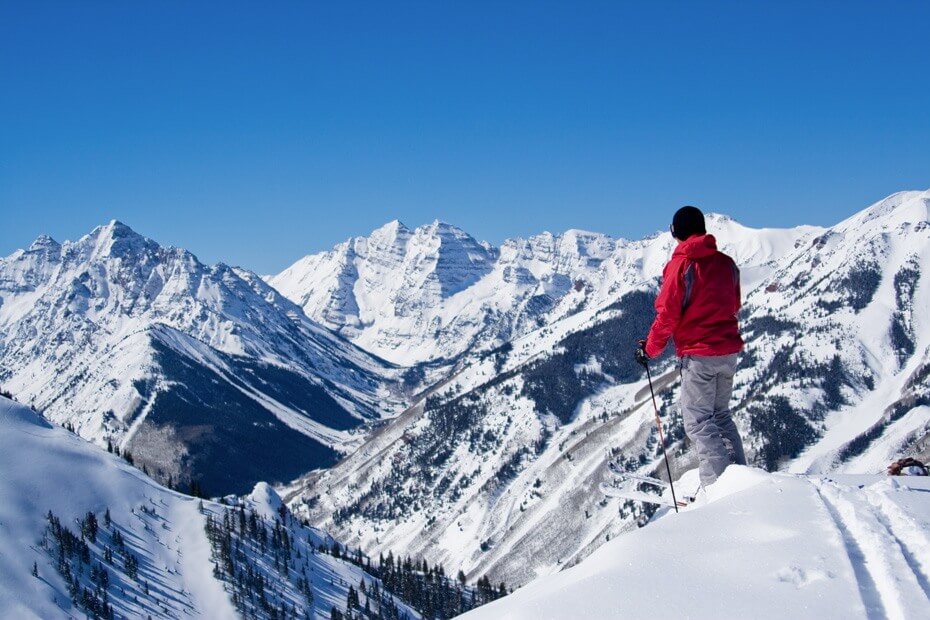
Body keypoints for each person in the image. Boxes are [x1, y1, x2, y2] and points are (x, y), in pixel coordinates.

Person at [636, 205, 746, 487]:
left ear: (676, 233)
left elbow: (668, 314)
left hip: (699, 355)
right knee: (721, 417)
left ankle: (720, 489)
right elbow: (734, 305)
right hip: (728, 351)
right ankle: (743, 480)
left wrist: (649, 349)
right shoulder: (726, 264)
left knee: (699, 423)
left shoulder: (682, 264)